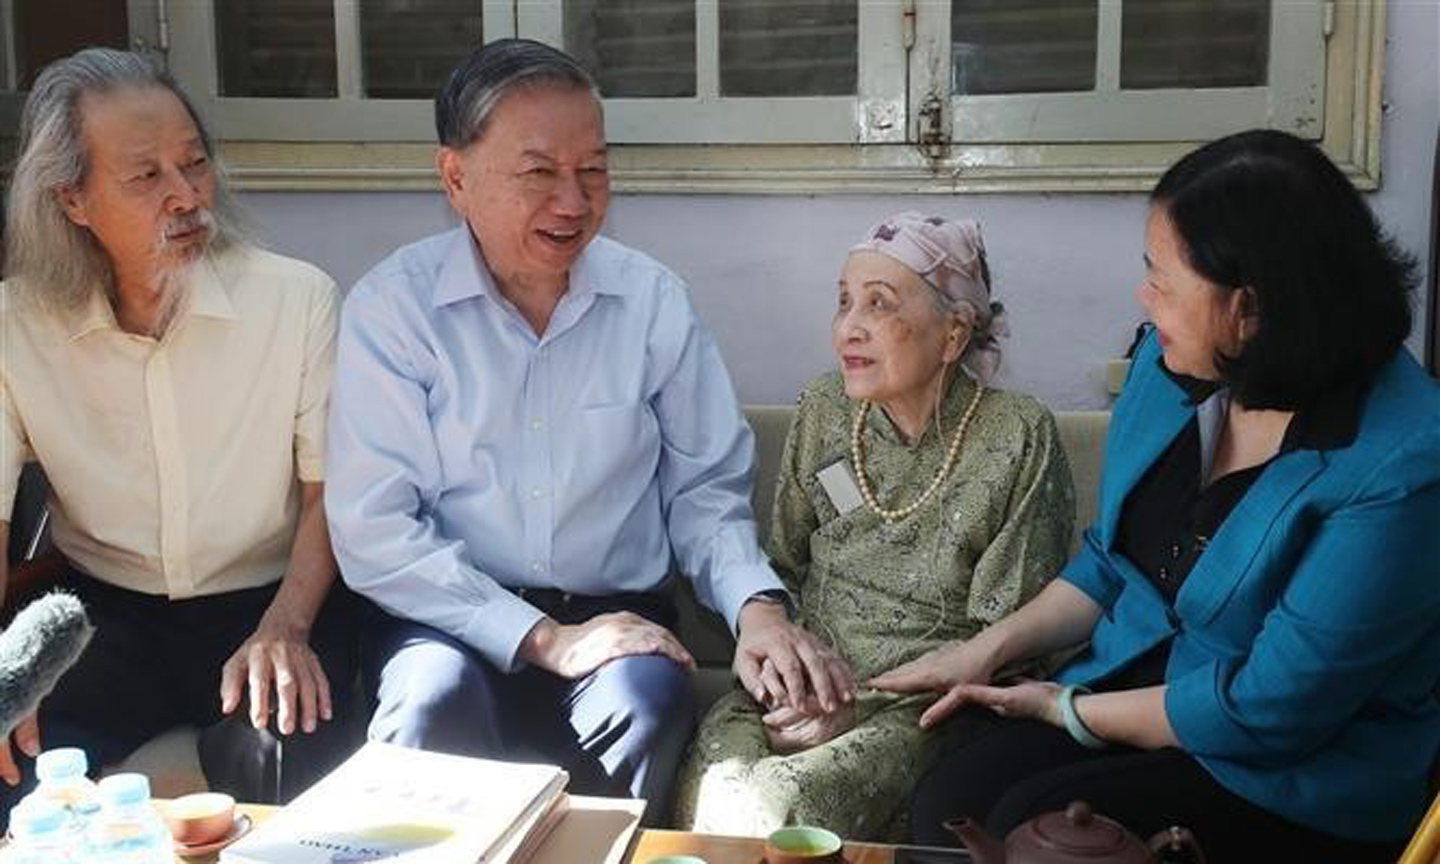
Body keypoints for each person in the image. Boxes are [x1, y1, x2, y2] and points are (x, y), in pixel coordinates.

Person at [324, 39, 850, 823]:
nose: (573, 201)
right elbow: (375, 530)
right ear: (455, 178)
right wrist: (545, 638)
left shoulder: (652, 303)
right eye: (539, 173)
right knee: (431, 703)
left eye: (594, 170)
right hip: (449, 619)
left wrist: (757, 610)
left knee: (645, 700)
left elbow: (704, 492)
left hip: (619, 613)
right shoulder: (394, 310)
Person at [884, 130, 1440, 862]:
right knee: (950, 803)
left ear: (1249, 309)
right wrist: (982, 652)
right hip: (1136, 692)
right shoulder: (1165, 363)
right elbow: (1110, 562)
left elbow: (1271, 709)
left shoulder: (1403, 460)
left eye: (1163, 280)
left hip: (1293, 770)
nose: (1144, 298)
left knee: (1034, 831)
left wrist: (1064, 708)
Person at [0, 48, 356, 812]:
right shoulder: (16, 324)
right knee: (9, 759)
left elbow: (331, 495)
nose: (186, 196)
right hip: (101, 614)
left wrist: (287, 628)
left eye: (193, 165)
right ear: (72, 200)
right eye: (146, 177)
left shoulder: (295, 302)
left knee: (286, 763)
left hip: (270, 600)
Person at [674, 213, 1075, 838]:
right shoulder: (824, 409)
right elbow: (786, 567)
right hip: (804, 685)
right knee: (719, 783)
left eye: (879, 304)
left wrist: (856, 704)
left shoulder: (1017, 435)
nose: (848, 328)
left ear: (953, 332)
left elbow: (1006, 642)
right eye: (843, 302)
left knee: (777, 807)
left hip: (926, 707)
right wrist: (794, 680)